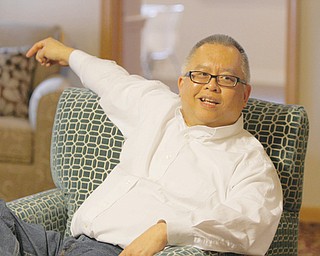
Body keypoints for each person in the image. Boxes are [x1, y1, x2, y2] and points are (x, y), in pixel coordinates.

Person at [0, 34, 282, 256]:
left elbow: (251, 224)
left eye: (227, 79)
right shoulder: (157, 105)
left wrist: (166, 231)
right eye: (201, 74)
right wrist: (67, 54)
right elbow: (112, 80)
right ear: (182, 83)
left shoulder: (249, 161)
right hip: (59, 245)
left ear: (245, 94)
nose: (211, 85)